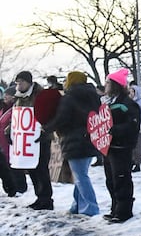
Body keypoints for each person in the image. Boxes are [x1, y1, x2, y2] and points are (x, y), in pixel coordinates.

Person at [43, 71, 101, 216]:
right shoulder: (94, 97)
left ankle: (90, 208)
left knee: (81, 177)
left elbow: (62, 118)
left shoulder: (69, 98)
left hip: (73, 140)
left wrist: (47, 128)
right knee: (81, 175)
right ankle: (77, 205)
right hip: (90, 138)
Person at [102, 67, 141, 223]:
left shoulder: (127, 104)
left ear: (115, 84)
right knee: (110, 180)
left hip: (121, 148)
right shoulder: (108, 103)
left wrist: (115, 130)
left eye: (107, 82)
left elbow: (132, 125)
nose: (105, 85)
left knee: (121, 179)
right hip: (108, 147)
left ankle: (124, 211)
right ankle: (115, 208)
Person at [12, 71, 56, 210]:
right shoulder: (19, 97)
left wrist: (45, 130)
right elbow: (17, 116)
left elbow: (50, 114)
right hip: (27, 139)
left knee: (41, 168)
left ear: (29, 82)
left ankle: (46, 199)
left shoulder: (40, 95)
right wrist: (9, 131)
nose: (19, 85)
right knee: (31, 168)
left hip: (41, 138)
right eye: (17, 83)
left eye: (21, 82)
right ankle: (39, 197)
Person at [0, 84, 28, 197]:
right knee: (4, 165)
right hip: (2, 142)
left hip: (11, 141)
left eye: (7, 95)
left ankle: (19, 187)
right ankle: (10, 188)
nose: (5, 97)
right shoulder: (3, 108)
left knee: (12, 164)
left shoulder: (15, 108)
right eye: (5, 94)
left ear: (13, 97)